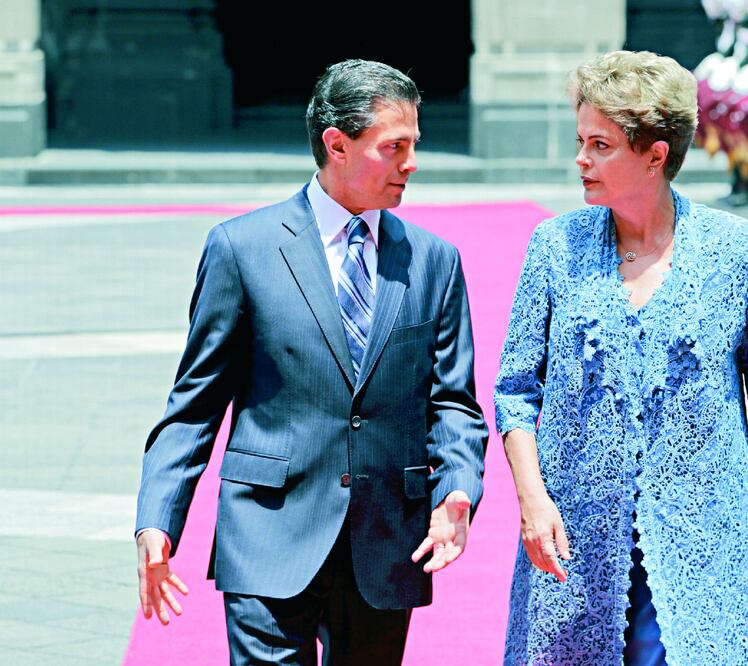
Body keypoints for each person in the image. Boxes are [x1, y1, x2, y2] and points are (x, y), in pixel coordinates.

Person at [134, 59, 488, 665]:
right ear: (337, 145)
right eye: (394, 146)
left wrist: (459, 486)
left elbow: (452, 401)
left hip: (385, 544)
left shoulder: (435, 261)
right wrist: (157, 519)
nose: (412, 163)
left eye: (414, 145)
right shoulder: (242, 249)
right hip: (268, 535)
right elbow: (194, 406)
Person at [494, 50, 748, 665]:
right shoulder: (555, 246)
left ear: (655, 155)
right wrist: (534, 502)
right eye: (580, 140)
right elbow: (514, 391)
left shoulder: (736, 251)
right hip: (574, 534)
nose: (580, 160)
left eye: (601, 145)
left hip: (704, 529)